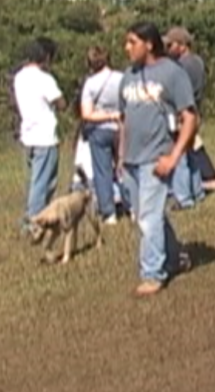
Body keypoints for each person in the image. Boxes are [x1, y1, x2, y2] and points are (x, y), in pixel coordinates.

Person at [118, 23, 199, 297]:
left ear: (149, 44)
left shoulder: (171, 73)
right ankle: (174, 257)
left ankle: (152, 274)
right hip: (131, 159)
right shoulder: (128, 76)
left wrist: (174, 156)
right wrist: (120, 158)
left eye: (132, 42)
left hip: (156, 157)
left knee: (148, 219)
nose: (127, 48)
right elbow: (123, 120)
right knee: (148, 216)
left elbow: (189, 118)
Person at [13, 38, 65, 234]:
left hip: (27, 134)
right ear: (47, 56)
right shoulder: (45, 79)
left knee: (34, 180)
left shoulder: (20, 76)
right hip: (45, 136)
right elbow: (61, 102)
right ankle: (34, 221)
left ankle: (39, 216)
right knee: (43, 182)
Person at [80, 46, 125, 224]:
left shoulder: (90, 84)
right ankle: (132, 205)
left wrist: (106, 115)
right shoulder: (121, 78)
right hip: (121, 127)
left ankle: (109, 212)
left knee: (102, 171)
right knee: (125, 167)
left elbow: (87, 113)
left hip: (99, 129)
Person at [164, 26, 208, 210]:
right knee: (191, 153)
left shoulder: (181, 66)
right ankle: (197, 191)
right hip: (195, 111)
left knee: (180, 154)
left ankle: (184, 198)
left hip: (183, 114)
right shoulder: (198, 62)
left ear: (182, 45)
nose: (167, 48)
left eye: (170, 44)